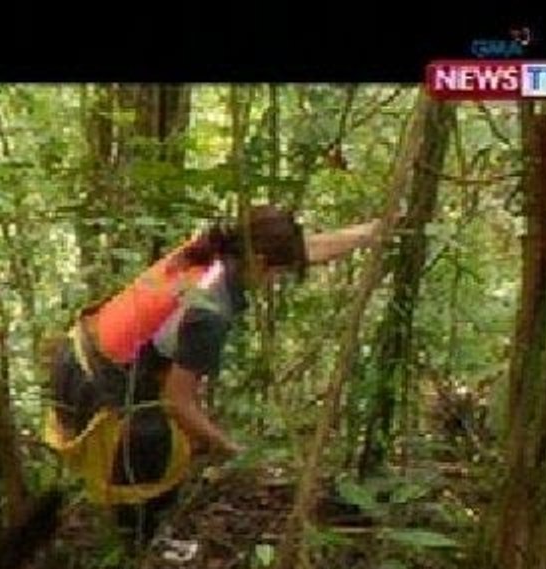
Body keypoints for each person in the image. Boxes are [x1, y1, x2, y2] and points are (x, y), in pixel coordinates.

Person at [44, 205, 380, 545]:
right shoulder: (210, 311)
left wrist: (372, 231)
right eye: (278, 274)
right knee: (159, 446)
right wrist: (231, 449)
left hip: (78, 357)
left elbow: (306, 249)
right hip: (97, 387)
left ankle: (131, 528)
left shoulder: (211, 251)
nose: (275, 283)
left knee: (177, 437)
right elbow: (179, 402)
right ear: (262, 263)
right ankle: (138, 548)